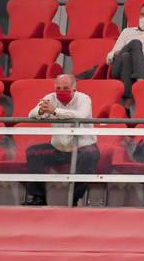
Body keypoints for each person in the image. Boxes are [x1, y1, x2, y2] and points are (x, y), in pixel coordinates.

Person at [22, 74, 97, 206]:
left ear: (74, 89)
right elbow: (31, 114)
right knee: (33, 152)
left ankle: (74, 199)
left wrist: (55, 111)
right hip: (58, 149)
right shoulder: (50, 98)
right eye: (58, 88)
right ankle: (38, 197)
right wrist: (40, 111)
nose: (61, 91)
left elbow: (81, 116)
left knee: (90, 154)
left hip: (82, 148)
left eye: (65, 88)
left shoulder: (84, 99)